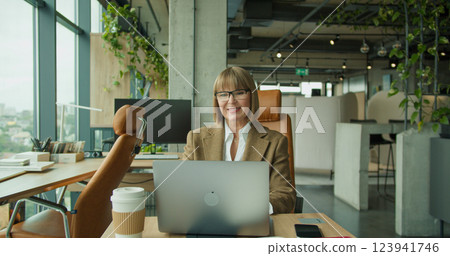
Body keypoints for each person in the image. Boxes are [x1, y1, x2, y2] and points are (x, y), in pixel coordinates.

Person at [183, 66, 296, 214]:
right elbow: (183, 186)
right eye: (223, 94)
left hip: (253, 221)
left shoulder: (276, 142)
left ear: (252, 96)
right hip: (207, 218)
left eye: (239, 93)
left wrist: (256, 208)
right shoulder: (196, 138)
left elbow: (285, 194)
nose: (231, 101)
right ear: (216, 100)